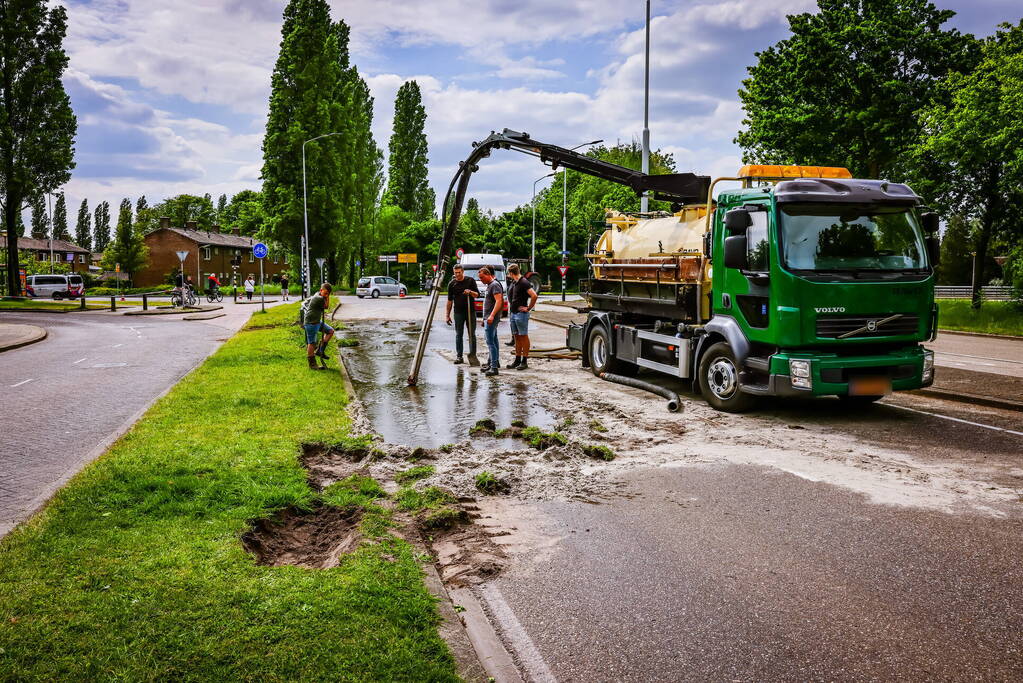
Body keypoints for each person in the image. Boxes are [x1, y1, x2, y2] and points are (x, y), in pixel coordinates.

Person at [444, 263, 480, 364]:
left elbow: (477, 295)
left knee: (471, 334)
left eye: (459, 272)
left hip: (470, 311)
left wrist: (470, 292)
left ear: (463, 272)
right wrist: (447, 315)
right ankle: (459, 356)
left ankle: (473, 354)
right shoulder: (452, 284)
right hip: (458, 312)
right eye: (455, 273)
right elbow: (450, 301)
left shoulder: (470, 281)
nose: (457, 275)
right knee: (458, 334)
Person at [506, 264, 538, 370]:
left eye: (509, 274)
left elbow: (534, 295)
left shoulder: (524, 282)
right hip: (513, 313)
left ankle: (524, 361)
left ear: (511, 273)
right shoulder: (515, 282)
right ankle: (517, 359)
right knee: (516, 337)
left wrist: (528, 308)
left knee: (523, 336)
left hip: (521, 314)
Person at [299, 282, 334, 370]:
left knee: (330, 331)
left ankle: (320, 350)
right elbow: (326, 306)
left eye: (328, 294)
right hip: (311, 323)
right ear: (321, 290)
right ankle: (312, 364)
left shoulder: (318, 294)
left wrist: (326, 295)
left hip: (317, 321)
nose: (326, 295)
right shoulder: (319, 298)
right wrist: (327, 297)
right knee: (312, 343)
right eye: (325, 293)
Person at [478, 266, 504, 377]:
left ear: (488, 274)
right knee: (494, 340)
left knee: (490, 343)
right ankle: (494, 363)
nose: (481, 280)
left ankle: (494, 367)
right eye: (480, 278)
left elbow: (499, 301)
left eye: (482, 277)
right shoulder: (490, 285)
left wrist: (492, 316)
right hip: (488, 318)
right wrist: (484, 318)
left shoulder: (494, 285)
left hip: (491, 318)